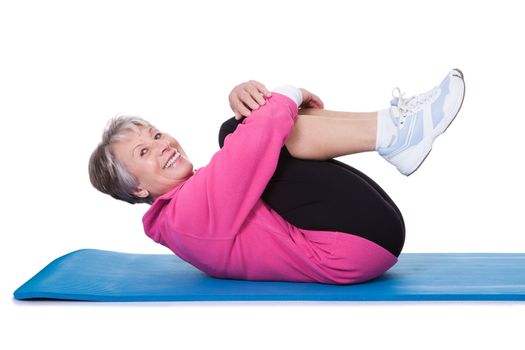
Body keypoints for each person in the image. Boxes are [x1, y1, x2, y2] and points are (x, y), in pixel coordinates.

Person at [88, 69, 465, 284]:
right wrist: (288, 93)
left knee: (245, 131)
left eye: (155, 135)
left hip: (360, 237)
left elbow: (251, 147)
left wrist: (263, 103)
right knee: (239, 133)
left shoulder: (188, 205)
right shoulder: (184, 218)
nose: (162, 145)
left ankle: (394, 131)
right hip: (352, 246)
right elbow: (250, 148)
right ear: (137, 188)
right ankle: (395, 133)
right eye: (143, 153)